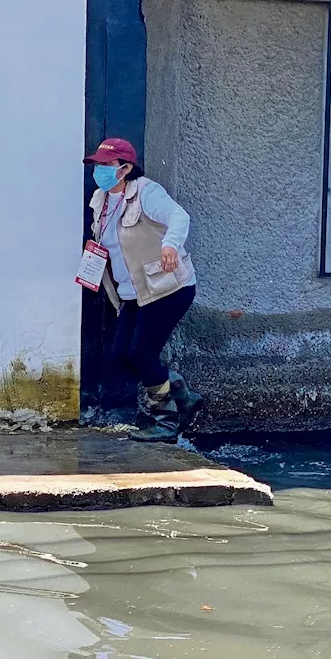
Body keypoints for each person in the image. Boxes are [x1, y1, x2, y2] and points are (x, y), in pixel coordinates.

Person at [84, 138, 203, 442]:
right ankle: (181, 394)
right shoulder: (101, 198)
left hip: (167, 288)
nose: (99, 170)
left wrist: (169, 245)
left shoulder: (147, 192)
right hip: (132, 293)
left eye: (106, 165)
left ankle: (165, 421)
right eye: (97, 164)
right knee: (122, 357)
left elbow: (179, 217)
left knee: (141, 354)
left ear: (125, 169)